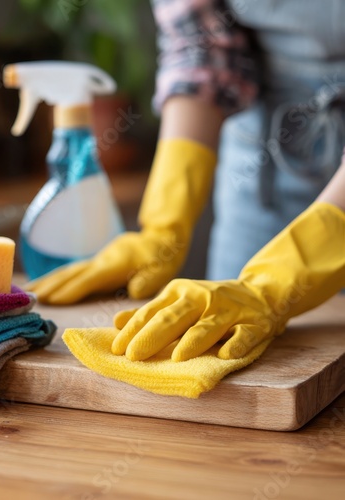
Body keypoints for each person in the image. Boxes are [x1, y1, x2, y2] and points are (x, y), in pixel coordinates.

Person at [26, 0, 345, 362]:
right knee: (227, 349)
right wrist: (164, 225)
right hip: (264, 161)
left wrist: (273, 285)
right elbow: (200, 45)